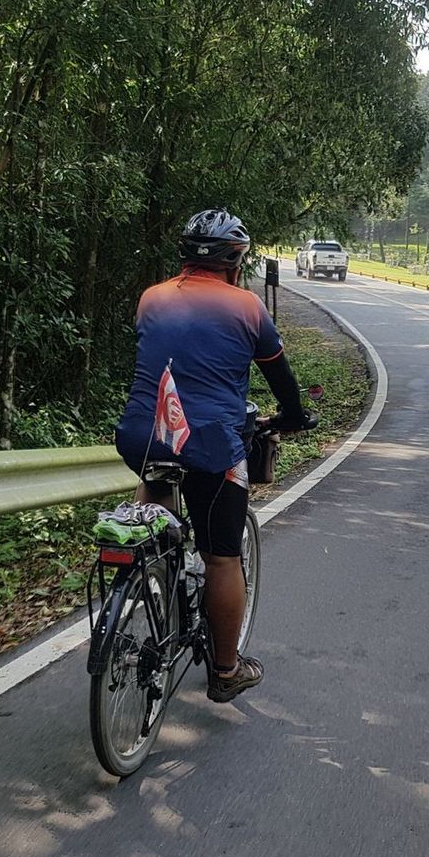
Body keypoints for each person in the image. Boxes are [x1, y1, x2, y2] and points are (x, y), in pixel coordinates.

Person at [115, 208, 315, 703]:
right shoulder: (247, 307)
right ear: (235, 261)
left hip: (142, 436)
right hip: (208, 443)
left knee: (159, 492)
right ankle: (226, 671)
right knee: (222, 557)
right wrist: (293, 416)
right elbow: (281, 379)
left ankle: (151, 572)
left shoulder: (151, 298)